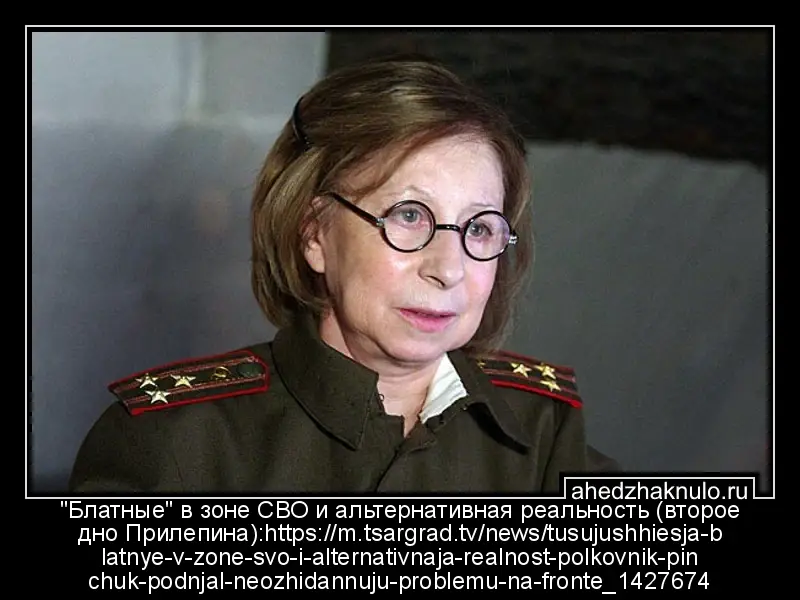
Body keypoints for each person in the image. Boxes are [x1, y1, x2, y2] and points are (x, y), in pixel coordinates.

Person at [70, 56, 617, 493]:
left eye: (478, 228)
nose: (448, 269)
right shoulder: (171, 442)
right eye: (409, 216)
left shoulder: (546, 432)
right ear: (315, 235)